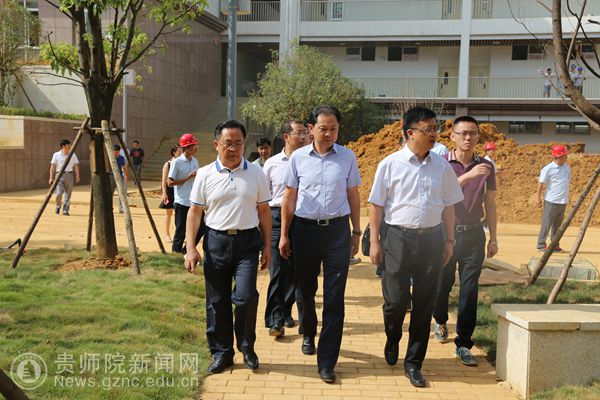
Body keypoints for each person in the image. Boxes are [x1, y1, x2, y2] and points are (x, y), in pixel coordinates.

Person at [368, 106, 463, 388]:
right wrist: (374, 242)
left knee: (424, 303)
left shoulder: (442, 166)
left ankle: (413, 363)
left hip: (432, 239)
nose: (434, 134)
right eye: (428, 129)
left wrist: (449, 240)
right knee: (396, 302)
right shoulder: (390, 164)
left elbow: (449, 206)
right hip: (397, 238)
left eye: (436, 129)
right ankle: (392, 335)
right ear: (410, 133)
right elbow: (376, 205)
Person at [279, 105, 362, 384]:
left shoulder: (347, 157)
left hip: (337, 231)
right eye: (323, 128)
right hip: (304, 231)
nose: (329, 134)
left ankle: (327, 361)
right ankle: (308, 331)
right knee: (305, 289)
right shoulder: (298, 158)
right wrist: (284, 234)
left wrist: (356, 231)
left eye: (334, 129)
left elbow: (353, 195)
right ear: (311, 129)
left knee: (334, 297)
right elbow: (289, 197)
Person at [184, 120, 272, 375]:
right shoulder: (204, 174)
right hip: (216, 242)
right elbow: (195, 212)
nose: (233, 149)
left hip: (247, 244)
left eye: (238, 143)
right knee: (217, 300)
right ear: (216, 144)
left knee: (246, 297)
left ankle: (247, 347)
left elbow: (264, 211)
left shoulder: (256, 173)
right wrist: (191, 248)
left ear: (244, 145)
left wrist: (268, 245)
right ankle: (221, 353)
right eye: (228, 143)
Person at [432, 116, 499, 367]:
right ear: (452, 136)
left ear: (479, 137)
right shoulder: (439, 163)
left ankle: (463, 343)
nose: (468, 138)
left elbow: (490, 204)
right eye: (463, 133)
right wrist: (468, 176)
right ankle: (440, 319)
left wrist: (493, 238)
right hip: (445, 233)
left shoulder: (487, 166)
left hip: (473, 234)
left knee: (469, 289)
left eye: (473, 133)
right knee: (442, 284)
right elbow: (438, 196)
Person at [263, 119, 308, 337]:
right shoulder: (272, 164)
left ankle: (286, 309)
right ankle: (276, 320)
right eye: (299, 132)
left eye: (305, 132)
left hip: (301, 219)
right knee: (278, 270)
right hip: (275, 218)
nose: (304, 137)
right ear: (286, 137)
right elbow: (263, 197)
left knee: (296, 271)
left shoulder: (310, 161)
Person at [168, 133, 200, 253]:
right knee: (180, 231)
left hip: (193, 202)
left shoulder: (195, 161)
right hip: (181, 202)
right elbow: (169, 182)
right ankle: (175, 255)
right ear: (186, 148)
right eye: (193, 146)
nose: (196, 148)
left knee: (201, 227)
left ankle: (186, 250)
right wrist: (187, 178)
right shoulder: (177, 162)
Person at [536, 144, 571, 253]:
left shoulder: (567, 168)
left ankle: (555, 245)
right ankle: (541, 245)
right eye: (564, 155)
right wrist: (538, 199)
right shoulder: (548, 169)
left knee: (557, 225)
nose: (566, 157)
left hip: (562, 201)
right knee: (546, 223)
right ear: (558, 156)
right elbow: (540, 184)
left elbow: (566, 183)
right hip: (551, 201)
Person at [49, 139, 80, 216]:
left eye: (70, 146)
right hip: (59, 175)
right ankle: (58, 206)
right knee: (59, 193)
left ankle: (66, 210)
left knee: (68, 194)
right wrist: (51, 177)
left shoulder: (73, 154)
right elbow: (53, 166)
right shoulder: (56, 155)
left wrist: (77, 175)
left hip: (69, 175)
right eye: (68, 146)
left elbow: (75, 165)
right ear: (63, 146)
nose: (70, 147)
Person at [160, 144, 182, 243]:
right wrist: (164, 193)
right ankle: (167, 234)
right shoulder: (168, 164)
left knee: (180, 214)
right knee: (169, 212)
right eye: (179, 152)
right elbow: (164, 180)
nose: (181, 154)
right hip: (170, 190)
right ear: (174, 152)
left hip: (180, 190)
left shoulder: (182, 163)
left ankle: (179, 235)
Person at [110, 144, 128, 214]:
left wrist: (126, 175)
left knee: (121, 193)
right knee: (110, 193)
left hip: (120, 176)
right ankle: (110, 207)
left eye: (117, 152)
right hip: (112, 176)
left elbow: (124, 167)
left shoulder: (121, 158)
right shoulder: (110, 158)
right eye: (115, 152)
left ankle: (121, 208)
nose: (116, 153)